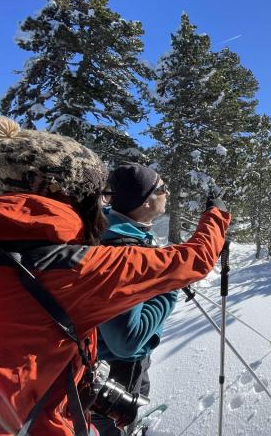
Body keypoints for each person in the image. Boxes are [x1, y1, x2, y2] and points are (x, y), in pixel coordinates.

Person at [0, 116, 231, 436]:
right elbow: (195, 260)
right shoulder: (73, 269)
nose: (105, 204)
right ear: (73, 197)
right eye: (99, 194)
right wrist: (216, 215)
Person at [92, 164, 178, 436]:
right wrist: (169, 287)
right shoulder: (123, 249)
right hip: (115, 364)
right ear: (145, 201)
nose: (168, 192)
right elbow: (126, 342)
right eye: (162, 188)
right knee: (115, 419)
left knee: (139, 391)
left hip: (102, 358)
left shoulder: (116, 228)